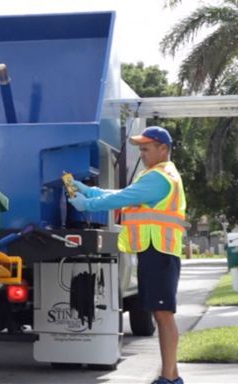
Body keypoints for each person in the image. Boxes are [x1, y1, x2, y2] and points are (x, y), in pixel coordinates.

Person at [68, 126, 185, 384]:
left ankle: (168, 379)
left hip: (159, 252)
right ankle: (172, 376)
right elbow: (124, 196)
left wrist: (88, 204)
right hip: (156, 252)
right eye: (140, 149)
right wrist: (91, 192)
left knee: (163, 316)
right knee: (161, 314)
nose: (142, 154)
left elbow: (122, 198)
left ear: (163, 149)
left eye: (146, 149)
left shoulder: (159, 177)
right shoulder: (155, 175)